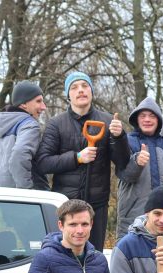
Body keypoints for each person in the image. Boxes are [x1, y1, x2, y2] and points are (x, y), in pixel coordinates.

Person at [36, 72, 129, 249]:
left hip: (97, 206)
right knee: (63, 255)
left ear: (91, 92)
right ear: (68, 95)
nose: (80, 91)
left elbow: (123, 162)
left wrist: (119, 137)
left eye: (85, 86)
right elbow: (43, 163)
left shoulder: (108, 121)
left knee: (94, 256)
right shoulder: (56, 124)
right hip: (66, 205)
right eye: (74, 87)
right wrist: (77, 157)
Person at [115, 97, 163, 238]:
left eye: (152, 116)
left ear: (158, 120)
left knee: (162, 256)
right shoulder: (126, 141)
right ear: (136, 119)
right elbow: (125, 174)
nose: (147, 119)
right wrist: (137, 163)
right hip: (133, 212)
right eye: (143, 116)